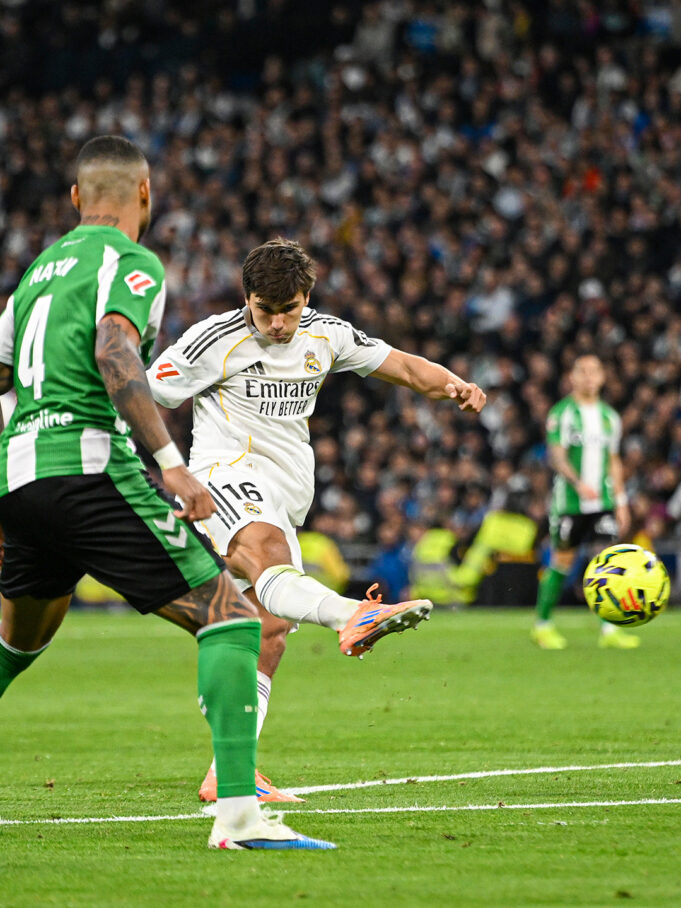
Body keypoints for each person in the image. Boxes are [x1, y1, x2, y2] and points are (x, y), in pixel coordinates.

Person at [0, 136, 333, 851]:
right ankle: (239, 817)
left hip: (20, 474)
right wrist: (169, 461)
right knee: (233, 617)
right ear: (144, 194)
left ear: (74, 199)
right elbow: (115, 350)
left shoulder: (34, 276)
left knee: (18, 640)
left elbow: (2, 376)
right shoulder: (129, 262)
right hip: (90, 467)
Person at [148, 237, 486, 801]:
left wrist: (453, 384)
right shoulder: (213, 339)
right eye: (266, 310)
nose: (279, 323)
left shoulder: (328, 334)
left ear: (307, 297)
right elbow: (142, 393)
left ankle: (227, 770)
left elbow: (399, 366)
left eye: (290, 309)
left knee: (270, 630)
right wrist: (170, 467)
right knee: (267, 560)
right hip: (224, 474)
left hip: (287, 489)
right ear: (246, 299)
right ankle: (354, 614)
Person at [531, 354, 636, 650]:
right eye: (582, 371)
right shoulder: (563, 413)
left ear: (602, 377)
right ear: (572, 377)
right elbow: (556, 454)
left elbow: (613, 460)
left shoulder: (610, 417)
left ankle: (609, 629)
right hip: (570, 502)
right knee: (562, 562)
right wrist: (578, 483)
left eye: (594, 371)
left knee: (607, 564)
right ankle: (543, 625)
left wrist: (621, 500)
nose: (589, 377)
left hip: (602, 501)